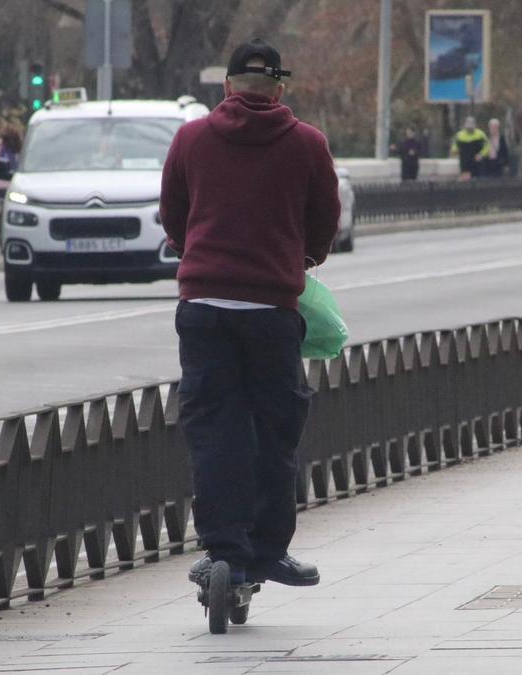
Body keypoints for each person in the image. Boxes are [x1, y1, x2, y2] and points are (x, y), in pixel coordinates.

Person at [161, 38, 340, 589]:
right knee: (274, 429)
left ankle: (223, 553)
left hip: (204, 306)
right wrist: (299, 258)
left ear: (228, 86)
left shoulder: (191, 139)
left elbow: (173, 213)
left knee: (216, 430)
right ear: (281, 89)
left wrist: (197, 251)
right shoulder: (308, 145)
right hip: (271, 309)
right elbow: (324, 221)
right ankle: (268, 551)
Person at [450, 115, 489, 180]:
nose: (470, 129)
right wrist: (454, 151)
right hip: (465, 163)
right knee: (466, 180)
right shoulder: (459, 135)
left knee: (478, 180)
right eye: (468, 127)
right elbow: (455, 147)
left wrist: (481, 154)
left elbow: (487, 146)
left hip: (477, 163)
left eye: (471, 127)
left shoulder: (480, 134)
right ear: (465, 126)